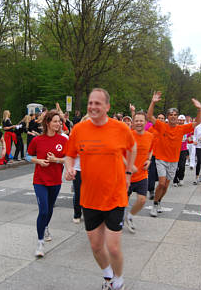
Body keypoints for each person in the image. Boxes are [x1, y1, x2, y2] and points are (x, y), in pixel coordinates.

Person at [65, 88, 137, 290]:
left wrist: (128, 172)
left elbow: (133, 147)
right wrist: (69, 168)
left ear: (107, 107)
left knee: (113, 248)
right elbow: (70, 154)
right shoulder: (79, 130)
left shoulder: (120, 129)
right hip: (90, 198)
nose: (93, 106)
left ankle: (119, 280)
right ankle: (108, 276)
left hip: (115, 196)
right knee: (96, 246)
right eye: (90, 103)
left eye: (98, 103)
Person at [147, 91, 201, 217]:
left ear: (177, 117)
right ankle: (154, 205)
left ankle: (159, 201)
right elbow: (150, 117)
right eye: (171, 115)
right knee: (161, 183)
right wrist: (153, 102)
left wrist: (199, 109)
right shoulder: (162, 126)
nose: (173, 116)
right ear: (168, 117)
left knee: (166, 185)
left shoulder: (181, 128)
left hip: (173, 160)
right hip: (161, 159)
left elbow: (196, 123)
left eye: (175, 115)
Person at [26, 110, 68, 258]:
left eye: (59, 121)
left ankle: (45, 226)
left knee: (49, 210)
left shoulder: (63, 140)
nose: (58, 124)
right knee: (43, 210)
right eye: (55, 121)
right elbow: (27, 156)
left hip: (55, 180)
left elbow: (69, 159)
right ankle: (40, 243)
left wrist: (56, 160)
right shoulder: (38, 140)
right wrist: (37, 161)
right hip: (40, 180)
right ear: (48, 122)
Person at [125, 112, 153, 234]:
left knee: (142, 200)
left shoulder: (150, 136)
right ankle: (118, 219)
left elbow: (151, 150)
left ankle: (130, 216)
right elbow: (119, 153)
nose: (139, 123)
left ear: (146, 122)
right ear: (133, 123)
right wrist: (130, 166)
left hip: (142, 174)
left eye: (141, 121)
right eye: (137, 121)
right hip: (127, 175)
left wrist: (149, 159)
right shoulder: (128, 135)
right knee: (122, 203)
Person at [147, 113, 165, 200]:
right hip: (153, 155)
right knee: (152, 173)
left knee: (159, 175)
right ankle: (151, 190)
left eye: (162, 118)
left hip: (162, 156)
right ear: (157, 119)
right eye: (159, 118)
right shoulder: (151, 129)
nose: (160, 120)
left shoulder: (166, 129)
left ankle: (158, 189)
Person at [173, 115, 189, 186]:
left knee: (182, 165)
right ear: (177, 120)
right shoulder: (174, 128)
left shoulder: (186, 128)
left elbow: (190, 137)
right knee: (175, 166)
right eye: (180, 120)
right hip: (175, 150)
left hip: (183, 149)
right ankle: (175, 180)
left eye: (183, 121)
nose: (181, 122)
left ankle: (181, 178)